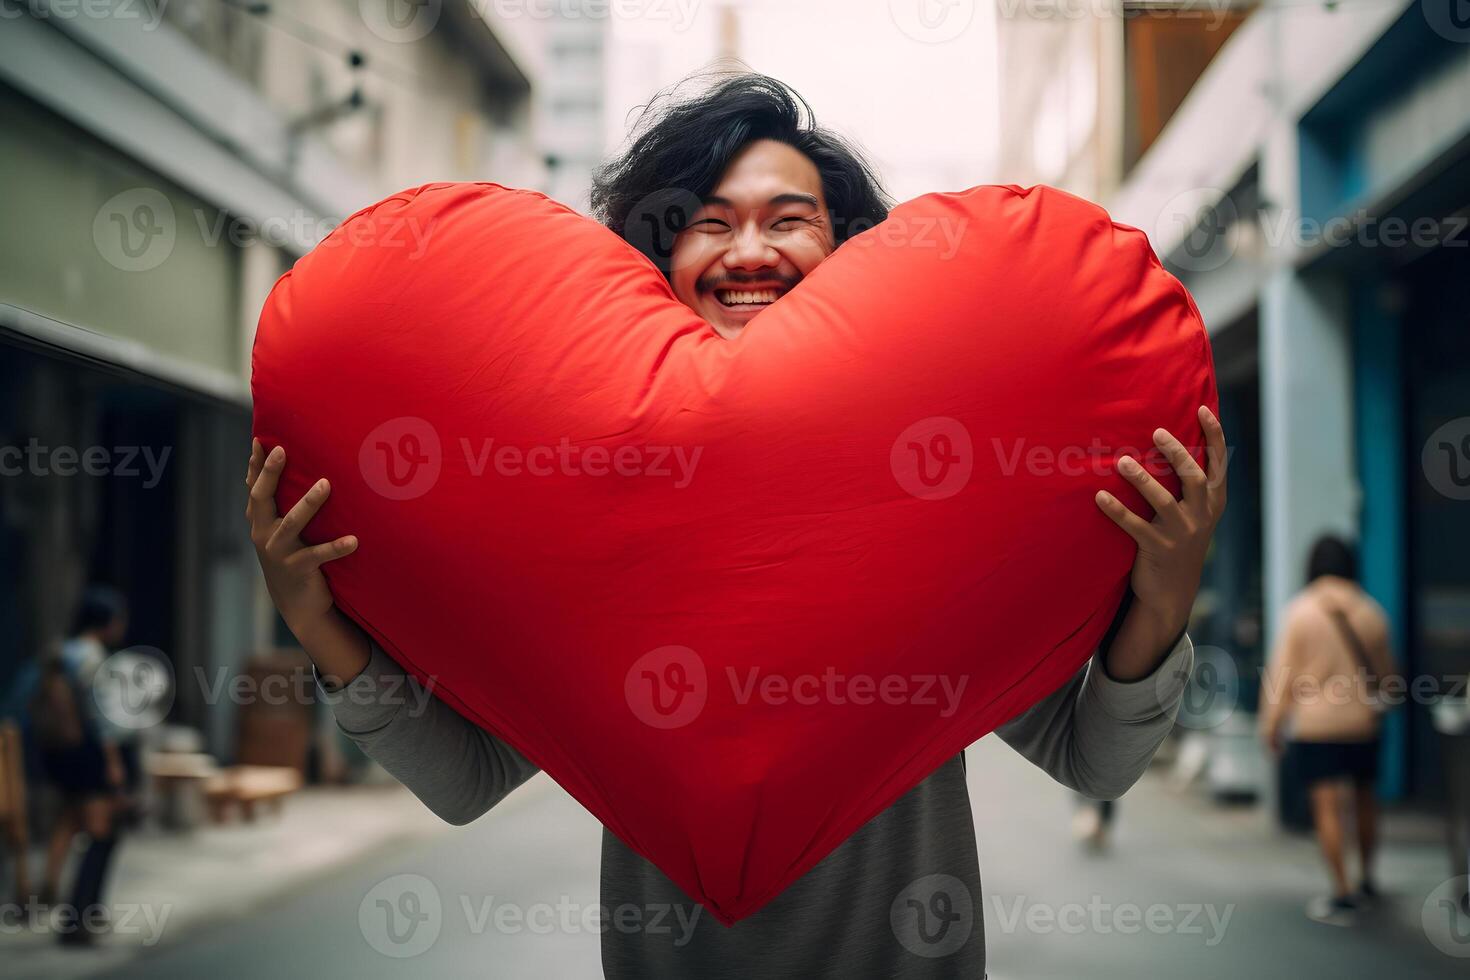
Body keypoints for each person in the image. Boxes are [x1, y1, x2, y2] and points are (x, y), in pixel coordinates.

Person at [244, 73, 1227, 977]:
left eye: (789, 221)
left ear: (857, 259)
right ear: (656, 260)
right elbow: (466, 781)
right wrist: (319, 622)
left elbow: (1095, 758)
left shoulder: (944, 496)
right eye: (708, 224)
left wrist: (1162, 600)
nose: (749, 251)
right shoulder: (572, 489)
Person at [1258, 534, 1400, 927]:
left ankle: (1342, 891)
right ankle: (1368, 878)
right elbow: (1389, 676)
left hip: (1317, 725)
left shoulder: (1301, 611)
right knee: (1365, 799)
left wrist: (1271, 724)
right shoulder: (1371, 612)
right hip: (1363, 722)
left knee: (1327, 806)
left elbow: (1281, 675)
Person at [29, 586, 133, 945]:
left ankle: (48, 890)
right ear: (105, 623)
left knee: (70, 820)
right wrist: (114, 764)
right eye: (118, 620)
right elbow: (102, 719)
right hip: (89, 755)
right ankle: (79, 919)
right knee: (103, 832)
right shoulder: (93, 659)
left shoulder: (60, 652)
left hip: (59, 754)